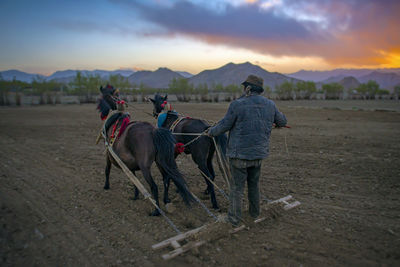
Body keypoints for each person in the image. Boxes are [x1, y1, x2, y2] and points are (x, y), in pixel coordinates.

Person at [207, 74, 287, 226]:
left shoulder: (237, 104)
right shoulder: (270, 104)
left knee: (237, 188)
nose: (243, 89)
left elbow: (224, 125)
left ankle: (234, 219)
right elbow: (282, 121)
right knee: (253, 185)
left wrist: (211, 132)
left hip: (239, 155)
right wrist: (275, 122)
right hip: (258, 155)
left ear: (248, 88)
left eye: (244, 87)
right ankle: (254, 213)